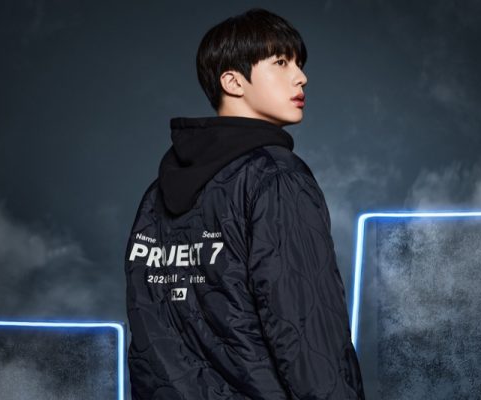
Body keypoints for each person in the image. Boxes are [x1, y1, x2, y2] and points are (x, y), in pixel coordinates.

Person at [124, 7, 365, 399]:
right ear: (233, 81)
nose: (301, 77)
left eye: (299, 64)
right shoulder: (276, 178)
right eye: (281, 62)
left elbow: (149, 331)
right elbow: (306, 334)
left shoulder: (155, 196)